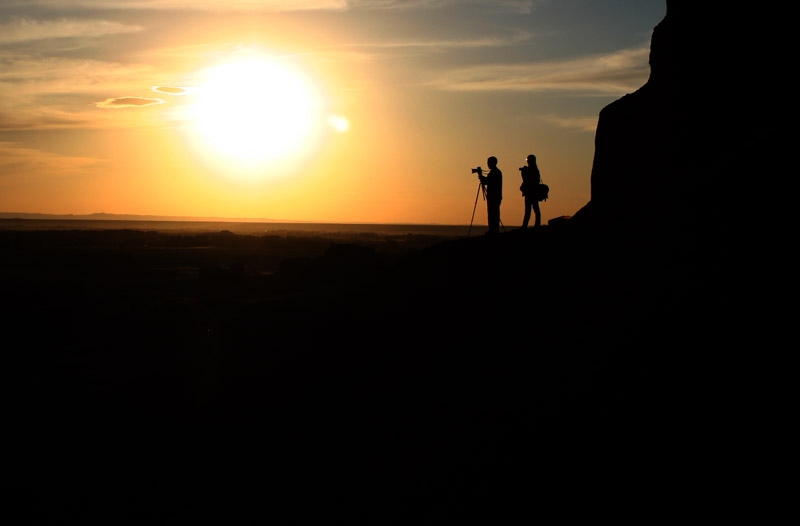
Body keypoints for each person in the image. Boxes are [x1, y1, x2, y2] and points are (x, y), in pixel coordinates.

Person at [478, 156, 502, 235]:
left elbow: (487, 181)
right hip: (495, 196)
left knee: (493, 214)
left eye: (489, 162)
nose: (487, 164)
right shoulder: (495, 172)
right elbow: (487, 181)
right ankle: (493, 230)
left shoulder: (495, 172)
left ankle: (493, 230)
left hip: (494, 196)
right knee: (493, 214)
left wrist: (481, 176)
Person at [519, 154, 541, 228]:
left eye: (528, 160)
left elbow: (526, 179)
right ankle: (535, 224)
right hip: (532, 192)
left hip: (531, 192)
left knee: (530, 209)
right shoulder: (535, 169)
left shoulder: (532, 170)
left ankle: (526, 225)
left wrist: (524, 172)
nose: (527, 161)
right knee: (534, 208)